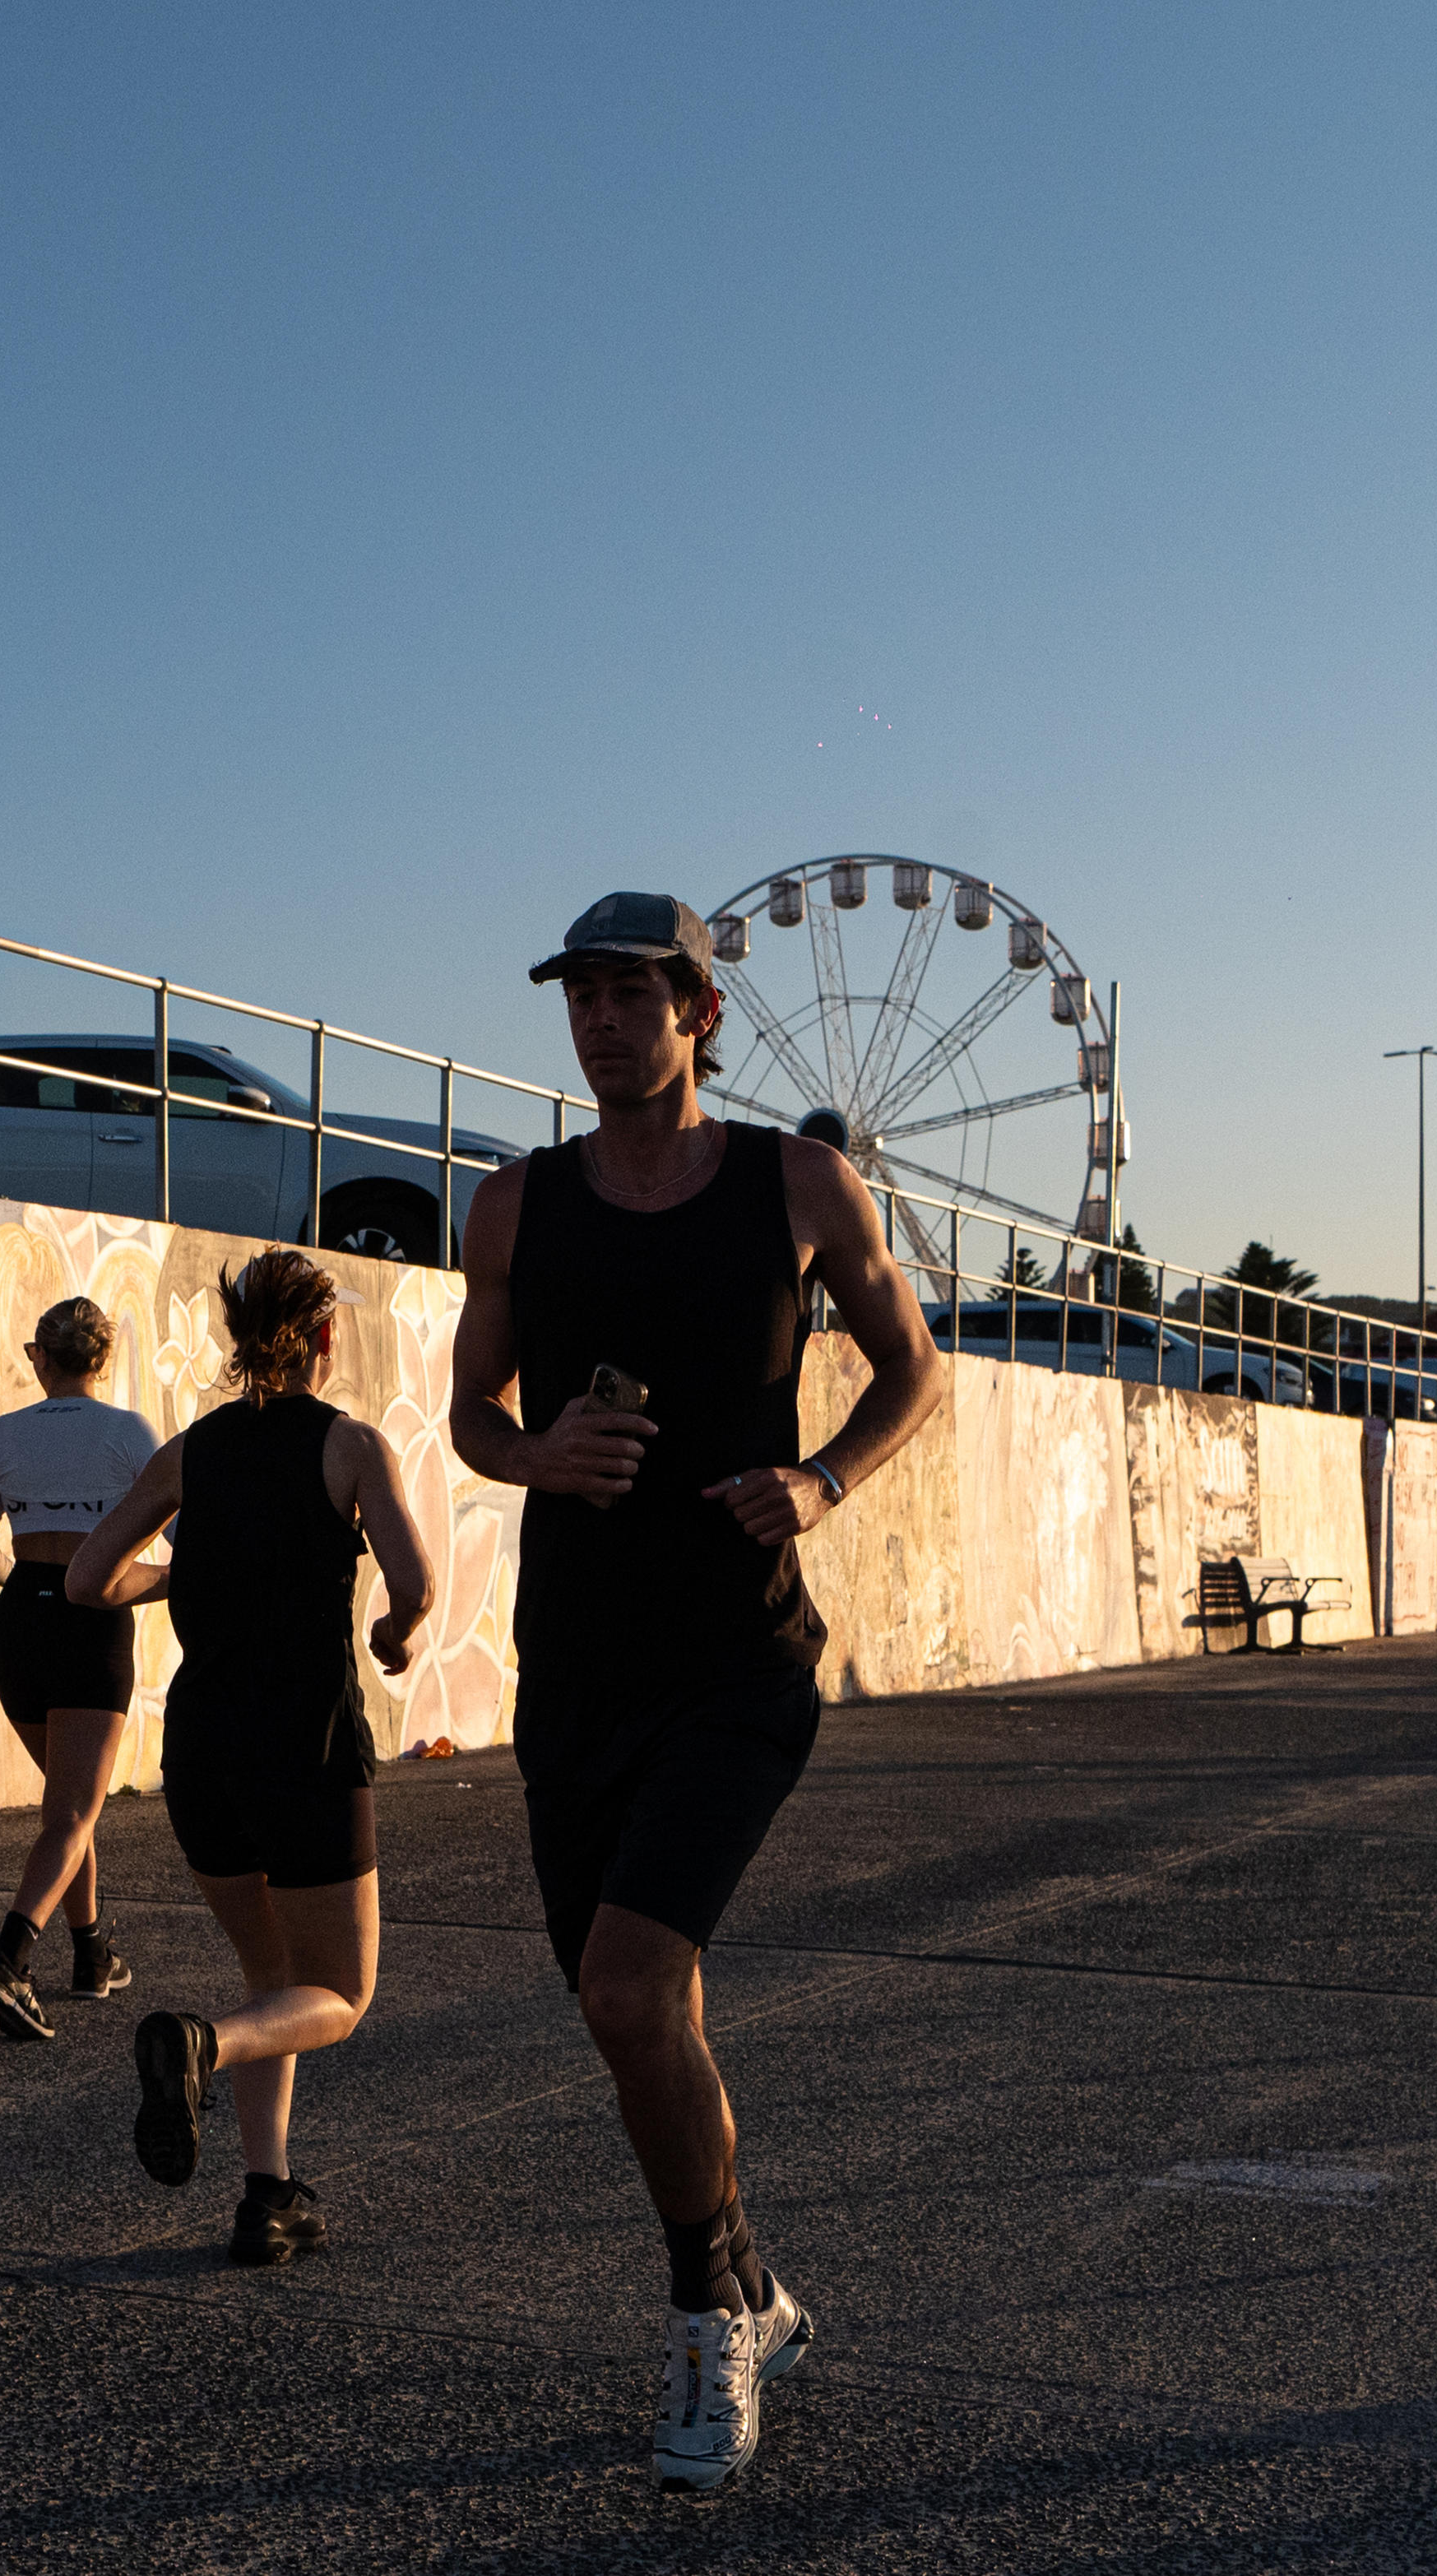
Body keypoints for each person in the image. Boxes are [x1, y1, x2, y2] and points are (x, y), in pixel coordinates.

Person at [446, 890, 946, 2495]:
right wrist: (535, 1454)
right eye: (578, 996)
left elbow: (912, 1365)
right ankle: (752, 2281)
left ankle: (701, 2328)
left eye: (629, 993)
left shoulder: (797, 1182)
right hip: (574, 1663)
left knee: (621, 1985)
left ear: (698, 1012)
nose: (599, 1020)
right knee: (639, 2016)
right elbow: (467, 1415)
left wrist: (822, 1479)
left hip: (741, 1659)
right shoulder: (513, 1206)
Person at [67, 1251, 432, 2268]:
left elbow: (88, 1580)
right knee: (340, 1994)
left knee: (269, 1972)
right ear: (320, 1338)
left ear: (238, 1342)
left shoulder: (190, 1452)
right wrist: (396, 1637)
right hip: (304, 1744)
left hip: (203, 1747)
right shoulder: (350, 1444)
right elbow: (415, 1584)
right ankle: (197, 2044)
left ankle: (265, 2196)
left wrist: (179, 1578)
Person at [0, 1296, 155, 2038]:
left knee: (69, 1804)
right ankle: (9, 1960)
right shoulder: (130, 1431)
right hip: (92, 1616)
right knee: (73, 1809)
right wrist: (155, 1580)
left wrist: (30, 1584)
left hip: (22, 1616)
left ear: (39, 1356)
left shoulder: (4, 1433)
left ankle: (91, 1953)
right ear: (102, 1359)